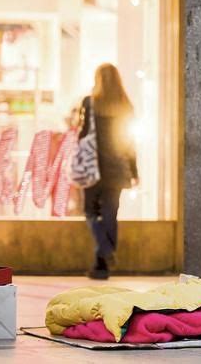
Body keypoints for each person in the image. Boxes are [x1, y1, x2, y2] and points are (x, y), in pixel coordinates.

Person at [79, 63, 138, 279]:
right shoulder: (126, 105)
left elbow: (82, 135)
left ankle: (105, 251)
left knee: (91, 213)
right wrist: (134, 171)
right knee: (110, 214)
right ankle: (101, 265)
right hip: (118, 169)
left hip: (94, 168)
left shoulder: (90, 102)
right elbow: (130, 142)